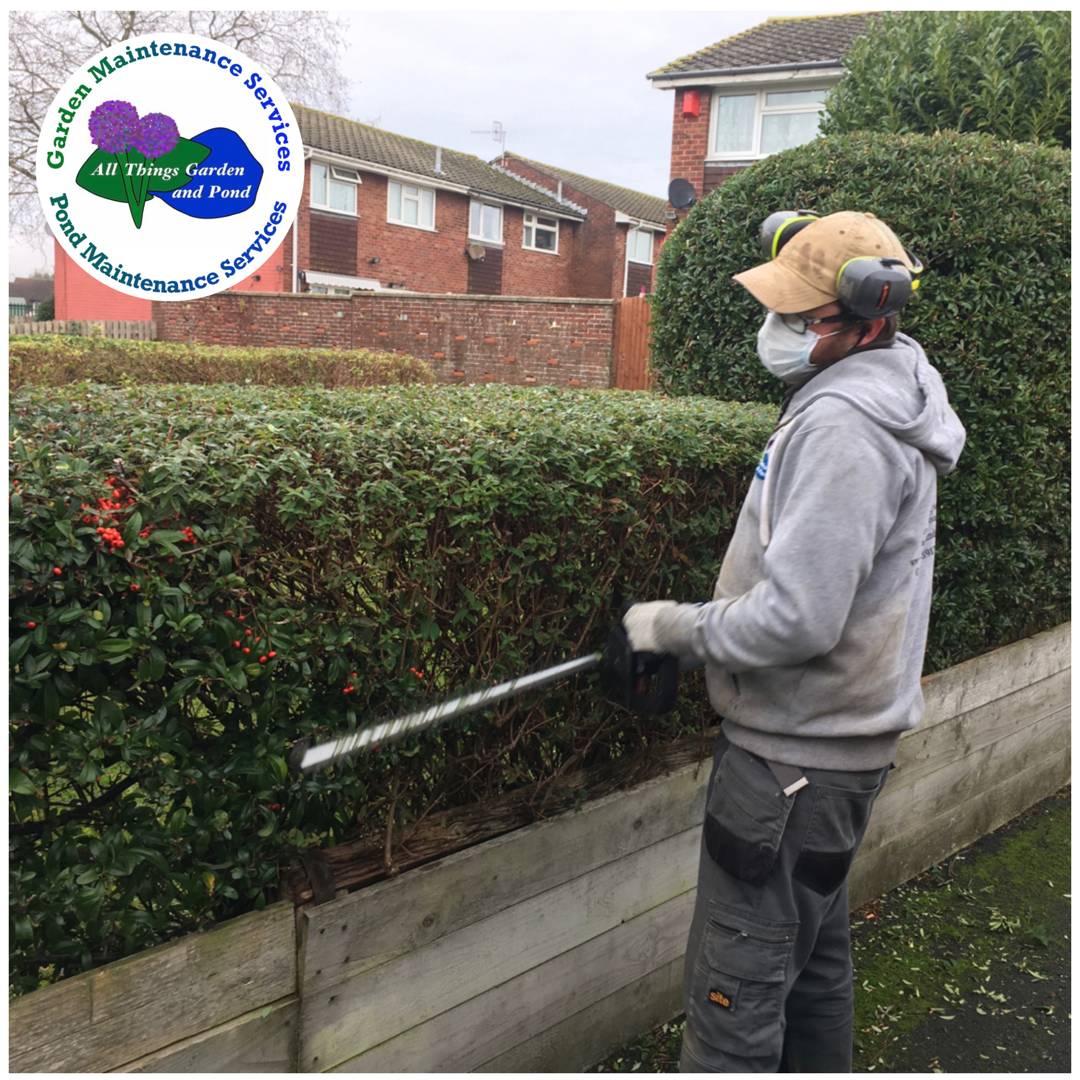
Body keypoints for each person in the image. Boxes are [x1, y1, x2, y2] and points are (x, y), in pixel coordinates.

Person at [622, 210, 966, 1072]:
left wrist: (672, 628)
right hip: (834, 758)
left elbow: (800, 619)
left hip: (789, 770)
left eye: (800, 319)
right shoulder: (886, 390)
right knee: (809, 971)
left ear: (872, 316)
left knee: (733, 1000)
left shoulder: (845, 427)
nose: (776, 333)